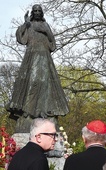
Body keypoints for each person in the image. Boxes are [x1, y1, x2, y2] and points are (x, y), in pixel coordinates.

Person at [6, 4, 69, 132]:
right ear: (32, 13)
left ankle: (44, 111)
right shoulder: (29, 25)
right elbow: (21, 39)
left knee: (45, 84)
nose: (36, 12)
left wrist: (46, 32)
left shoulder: (45, 26)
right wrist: (25, 24)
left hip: (45, 58)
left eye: (39, 10)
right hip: (31, 56)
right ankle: (28, 112)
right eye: (34, 11)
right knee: (32, 83)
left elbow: (52, 45)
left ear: (42, 12)